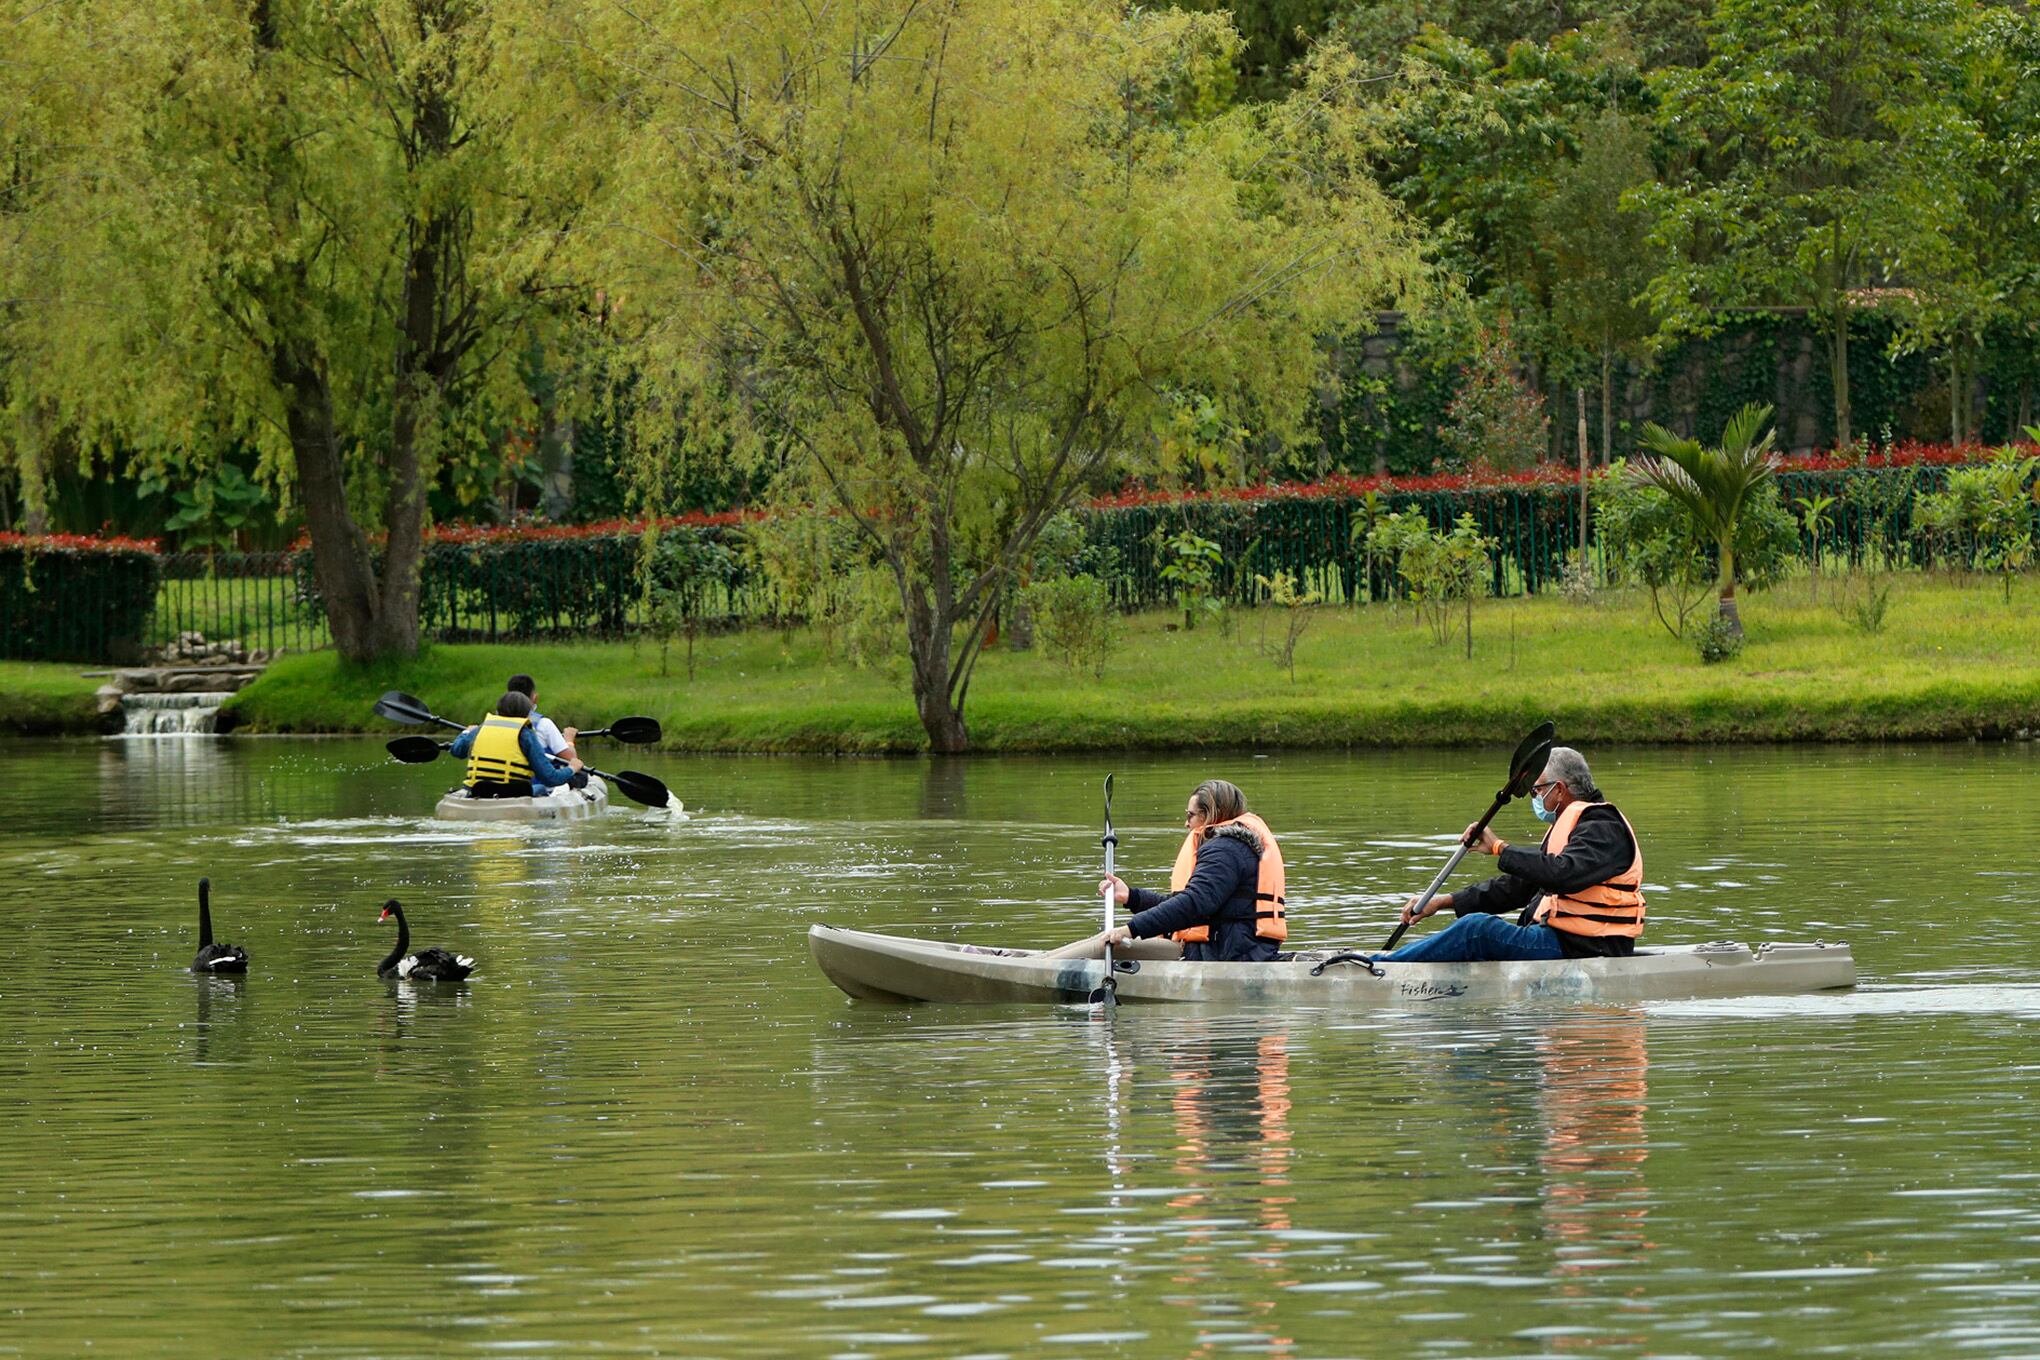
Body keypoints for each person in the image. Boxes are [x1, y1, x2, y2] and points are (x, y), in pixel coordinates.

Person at [1384, 746, 1643, 963]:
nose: (1535, 797)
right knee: (1479, 929)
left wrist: (1499, 847)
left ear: (1560, 789)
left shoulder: (1602, 827)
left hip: (1587, 948)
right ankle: (1389, 963)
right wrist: (1443, 902)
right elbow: (1519, 887)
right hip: (1566, 942)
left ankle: (1383, 967)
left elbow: (1563, 874)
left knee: (1477, 930)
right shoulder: (1575, 826)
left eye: (1537, 790)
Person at [1063, 778, 1288, 963]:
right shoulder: (1231, 847)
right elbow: (1190, 903)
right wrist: (1132, 897)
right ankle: (1039, 963)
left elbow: (1193, 904)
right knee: (1100, 943)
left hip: (1228, 956)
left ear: (1210, 814)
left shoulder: (1225, 851)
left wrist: (1130, 929)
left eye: (1190, 815)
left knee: (1103, 948)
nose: (1186, 824)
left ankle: (1035, 971)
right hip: (1227, 950)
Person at [448, 691, 586, 799]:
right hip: (513, 794)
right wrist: (572, 769)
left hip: (476, 792)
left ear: (498, 711)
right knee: (542, 789)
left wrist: (467, 732)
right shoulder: (526, 734)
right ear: (527, 714)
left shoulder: (481, 729)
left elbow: (456, 750)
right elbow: (550, 778)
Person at [506, 673, 577, 764]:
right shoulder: (544, 724)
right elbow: (572, 760)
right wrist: (569, 741)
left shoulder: (496, 724)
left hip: (504, 775)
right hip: (537, 777)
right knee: (592, 778)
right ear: (535, 698)